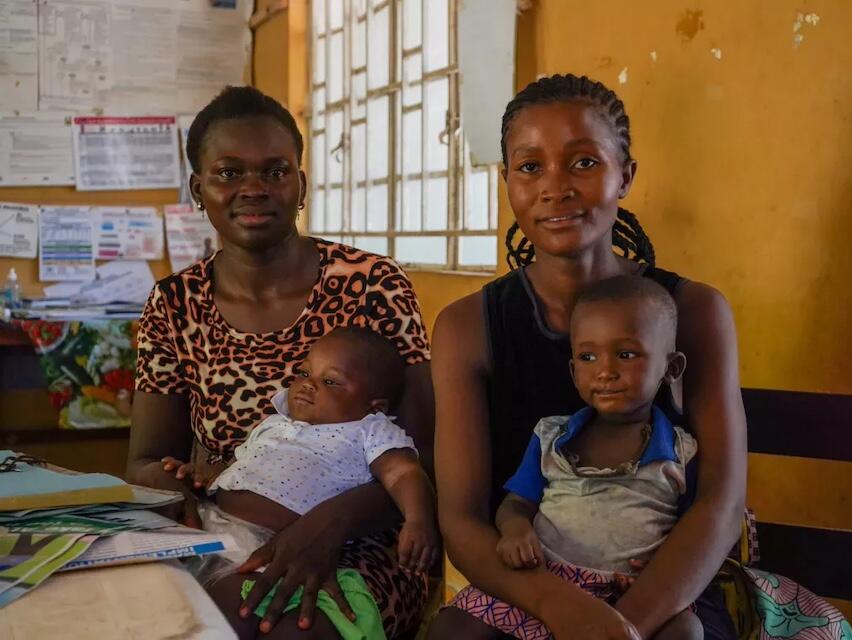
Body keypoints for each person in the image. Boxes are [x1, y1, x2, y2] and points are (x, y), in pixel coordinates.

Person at [428, 74, 747, 640]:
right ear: (507, 183)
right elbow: (462, 521)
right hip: (530, 584)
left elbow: (721, 501)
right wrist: (564, 610)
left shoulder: (694, 311)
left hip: (666, 587)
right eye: (530, 167)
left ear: (625, 175)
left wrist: (621, 626)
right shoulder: (467, 328)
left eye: (582, 163)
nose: (555, 187)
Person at [128, 85, 434, 639]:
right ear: (199, 188)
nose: (252, 189)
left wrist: (331, 521)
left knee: (273, 627)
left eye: (275, 172)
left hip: (363, 535)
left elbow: (423, 452)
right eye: (228, 173)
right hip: (223, 524)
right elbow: (147, 460)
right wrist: (174, 484)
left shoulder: (370, 284)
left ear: (301, 185)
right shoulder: (174, 304)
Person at [451, 275, 702, 640]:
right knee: (455, 625)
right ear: (573, 371)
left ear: (671, 368)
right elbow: (517, 503)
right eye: (587, 357)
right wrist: (515, 530)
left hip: (631, 592)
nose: (605, 371)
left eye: (626, 354)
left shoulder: (681, 452)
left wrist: (662, 566)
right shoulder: (551, 438)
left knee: (687, 631)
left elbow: (696, 529)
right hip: (548, 584)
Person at [163, 327, 438, 640]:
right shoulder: (276, 422)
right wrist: (206, 474)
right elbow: (243, 463)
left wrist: (417, 518)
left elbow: (403, 473)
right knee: (185, 612)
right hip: (215, 530)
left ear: (375, 406)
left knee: (229, 616)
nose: (309, 384)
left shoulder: (368, 430)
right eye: (305, 372)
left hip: (279, 549)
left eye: (330, 381)